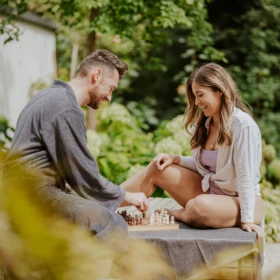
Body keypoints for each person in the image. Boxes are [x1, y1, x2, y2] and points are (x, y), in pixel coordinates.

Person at [5, 49, 149, 242]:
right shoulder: (65, 106)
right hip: (32, 195)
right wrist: (127, 196)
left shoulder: (50, 95)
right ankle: (101, 274)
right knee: (109, 223)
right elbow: (83, 175)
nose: (109, 97)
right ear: (96, 76)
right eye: (111, 88)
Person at [121, 63, 264, 240]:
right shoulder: (203, 125)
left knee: (200, 206)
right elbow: (206, 167)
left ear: (219, 90)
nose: (197, 103)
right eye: (195, 97)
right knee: (159, 167)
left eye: (200, 95)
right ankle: (104, 202)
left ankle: (181, 214)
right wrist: (175, 159)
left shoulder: (243, 126)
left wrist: (248, 220)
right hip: (210, 191)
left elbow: (246, 176)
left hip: (239, 202)